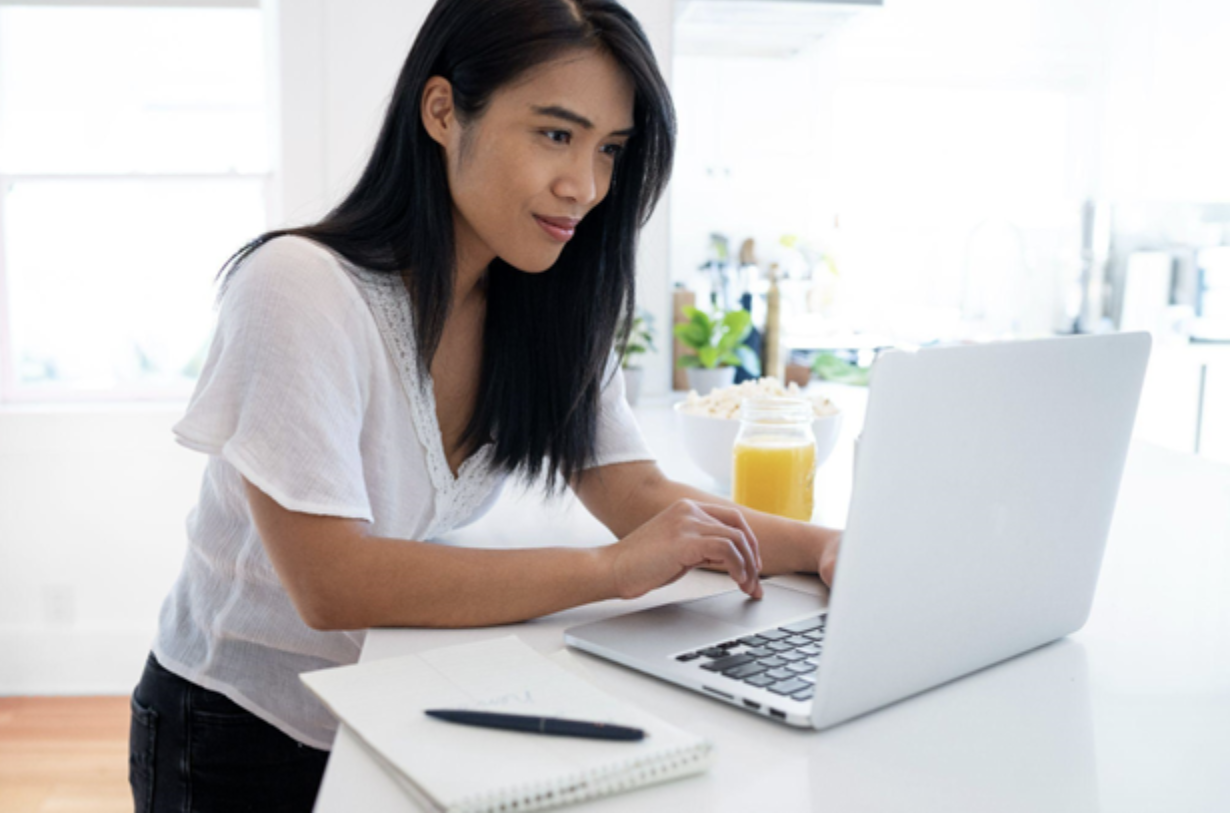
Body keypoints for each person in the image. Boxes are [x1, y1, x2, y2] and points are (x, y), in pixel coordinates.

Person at [128, 0, 842, 810]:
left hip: (399, 706)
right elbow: (332, 584)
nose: (587, 185)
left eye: (609, 149)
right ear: (442, 110)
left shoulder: (544, 306)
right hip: (240, 729)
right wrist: (610, 572)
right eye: (555, 134)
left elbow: (636, 496)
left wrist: (826, 549)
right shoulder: (298, 288)